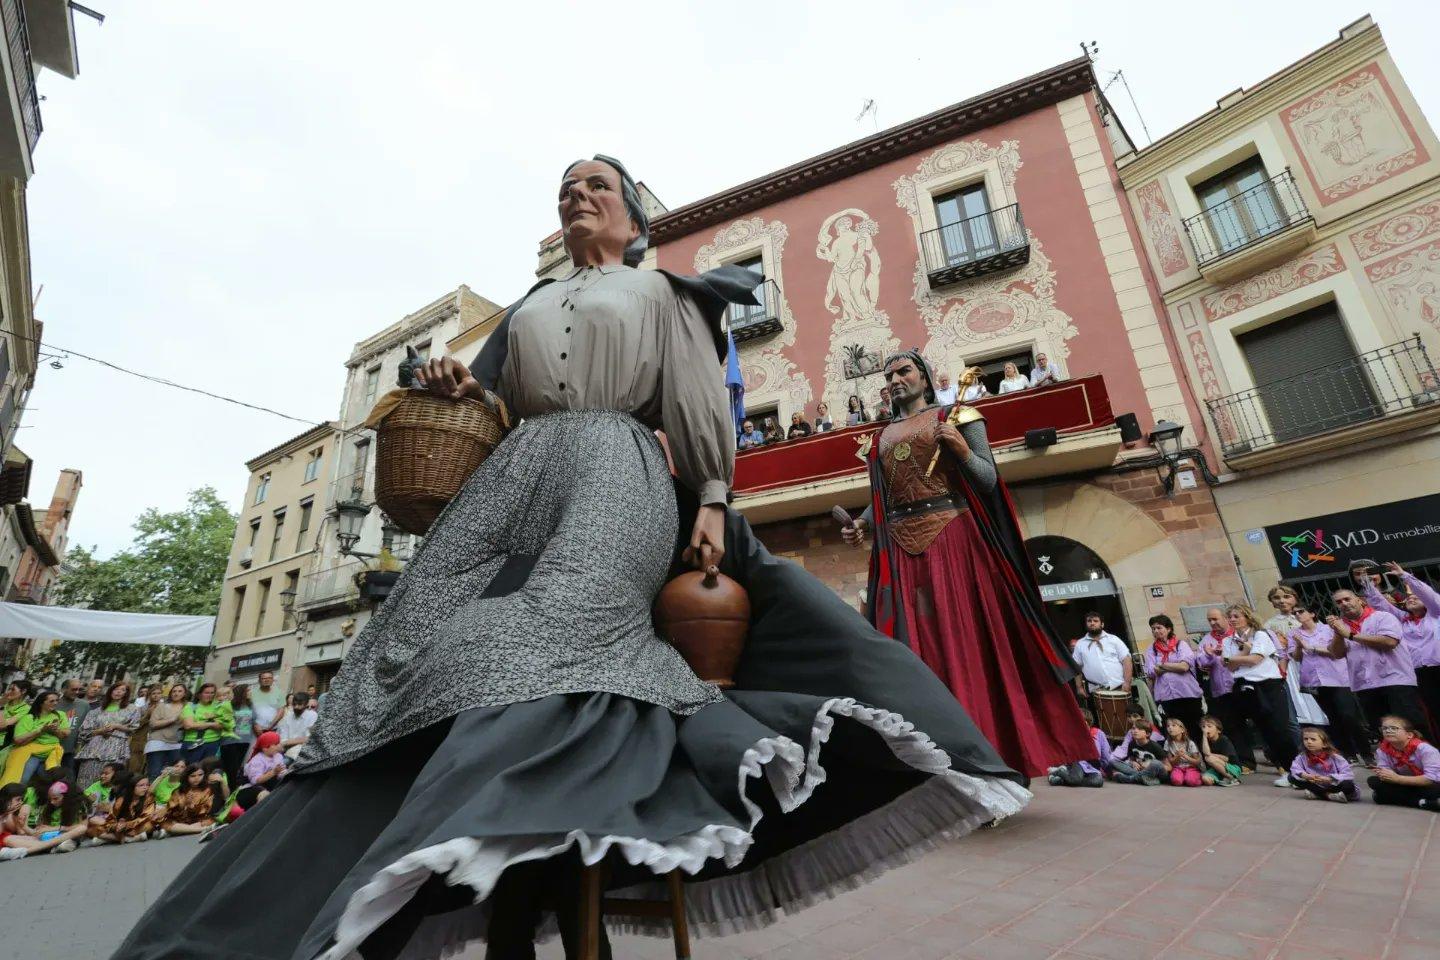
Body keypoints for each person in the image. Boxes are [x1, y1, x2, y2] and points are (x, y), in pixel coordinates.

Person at [116, 155, 1031, 960]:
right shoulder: (525, 308)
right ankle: (463, 881)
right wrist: (450, 382)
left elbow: (695, 400)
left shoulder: (664, 292)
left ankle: (541, 892)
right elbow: (489, 399)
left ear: (634, 217)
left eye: (597, 185)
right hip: (513, 474)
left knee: (550, 636)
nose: (578, 197)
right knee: (416, 639)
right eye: (566, 190)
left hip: (614, 464)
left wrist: (711, 499)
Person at [841, 349, 1092, 776]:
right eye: (889, 375)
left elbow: (987, 479)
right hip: (900, 545)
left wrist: (960, 449)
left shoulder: (960, 416)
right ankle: (930, 763)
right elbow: (888, 493)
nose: (895, 379)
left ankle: (990, 760)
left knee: (966, 639)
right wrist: (864, 524)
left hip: (954, 535)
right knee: (916, 647)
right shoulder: (882, 436)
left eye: (904, 371)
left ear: (924, 375)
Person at [1327, 588, 1427, 738]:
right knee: (1383, 730)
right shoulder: (1341, 626)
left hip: (1396, 680)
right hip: (1365, 685)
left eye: (1347, 599)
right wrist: (1338, 632)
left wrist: (1351, 635)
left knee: (1410, 726)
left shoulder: (1382, 617)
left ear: (1359, 601)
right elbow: (1336, 653)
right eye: (1339, 602)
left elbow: (1389, 641)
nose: (1344, 604)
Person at [1362, 561, 1440, 741]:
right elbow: (1379, 604)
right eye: (1407, 598)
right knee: (1432, 711)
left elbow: (1428, 595)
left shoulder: (1435, 613)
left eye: (1415, 597)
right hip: (1419, 673)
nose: (1410, 598)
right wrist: (1368, 583)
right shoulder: (1403, 619)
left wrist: (1404, 575)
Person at [1224, 603, 1299, 785]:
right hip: (1246, 686)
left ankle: (1297, 770)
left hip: (1268, 685)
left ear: (1247, 617)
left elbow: (1256, 659)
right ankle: (1287, 770)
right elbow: (1229, 666)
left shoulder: (1261, 635)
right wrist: (1245, 651)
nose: (1233, 620)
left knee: (1280, 728)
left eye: (1237, 616)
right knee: (1266, 730)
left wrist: (1237, 658)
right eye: (1231, 617)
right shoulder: (1228, 641)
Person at [1289, 602, 1373, 764]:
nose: (1298, 615)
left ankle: (1366, 752)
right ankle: (1347, 753)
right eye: (1295, 613)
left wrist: (1311, 647)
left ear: (1312, 614)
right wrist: (1300, 646)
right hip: (1314, 680)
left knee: (1348, 715)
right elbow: (1297, 657)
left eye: (1301, 611)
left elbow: (1337, 652)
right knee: (1333, 718)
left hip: (1337, 677)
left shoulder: (1328, 629)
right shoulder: (1294, 633)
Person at [1197, 608, 1257, 772]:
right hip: (1220, 689)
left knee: (1249, 723)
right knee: (1230, 726)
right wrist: (1209, 655)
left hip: (1239, 685)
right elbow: (1200, 662)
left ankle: (1261, 760)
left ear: (1225, 618)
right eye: (1209, 620)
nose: (1212, 623)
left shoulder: (1235, 636)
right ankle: (1240, 762)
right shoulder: (1207, 640)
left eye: (1215, 619)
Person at [1264, 586, 1322, 750]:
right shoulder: (1270, 624)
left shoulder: (1305, 617)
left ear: (1295, 598)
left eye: (1287, 596)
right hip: (1289, 665)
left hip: (1311, 662)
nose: (1282, 601)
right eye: (1277, 598)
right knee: (1298, 700)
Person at [1143, 614, 1203, 747]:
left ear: (1168, 629)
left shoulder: (1181, 645)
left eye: (1159, 628)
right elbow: (1151, 672)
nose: (1156, 631)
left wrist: (1163, 665)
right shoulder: (1151, 650)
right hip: (1166, 697)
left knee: (1195, 728)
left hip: (1188, 694)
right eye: (1153, 629)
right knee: (1174, 732)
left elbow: (1184, 666)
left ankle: (1202, 759)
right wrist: (1173, 665)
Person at [74, 681, 140, 789]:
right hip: (94, 749)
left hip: (116, 749)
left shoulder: (132, 709)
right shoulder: (97, 711)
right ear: (110, 691)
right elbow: (84, 732)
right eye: (116, 689)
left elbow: (133, 728)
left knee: (111, 779)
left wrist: (116, 726)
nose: (118, 692)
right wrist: (100, 731)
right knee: (88, 777)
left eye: (123, 690)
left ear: (126, 693)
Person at [1368, 714, 1440, 810]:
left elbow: (1430, 779)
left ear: (1409, 735)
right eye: (1384, 728)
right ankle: (1424, 802)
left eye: (1394, 728)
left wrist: (1398, 778)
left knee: (1380, 796)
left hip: (1430, 784)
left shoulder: (1426, 750)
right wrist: (1384, 774)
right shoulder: (1383, 750)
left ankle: (1409, 800)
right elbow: (1385, 772)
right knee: (1374, 781)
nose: (1388, 731)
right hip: (1405, 784)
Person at [1, 688, 68, 787]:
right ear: (42, 703)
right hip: (32, 754)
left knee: (52, 781)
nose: (55, 703)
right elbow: (18, 739)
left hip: (52, 752)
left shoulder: (60, 715)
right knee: (23, 780)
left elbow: (66, 734)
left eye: (57, 701)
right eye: (51, 701)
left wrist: (55, 730)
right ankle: (12, 797)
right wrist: (40, 731)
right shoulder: (28, 718)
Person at [0, 783, 82, 859]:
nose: (20, 803)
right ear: (7, 799)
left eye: (21, 799)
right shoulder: (5, 813)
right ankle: (53, 846)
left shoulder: (12, 812)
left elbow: (22, 832)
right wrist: (4, 815)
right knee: (8, 840)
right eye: (18, 800)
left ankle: (59, 842)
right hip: (3, 842)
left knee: (31, 839)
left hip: (6, 837)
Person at [1072, 611, 1133, 709]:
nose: (1092, 623)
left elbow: (1127, 660)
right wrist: (1079, 687)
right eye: (1089, 621)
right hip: (1097, 691)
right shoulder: (1080, 644)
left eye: (1095, 621)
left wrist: (1127, 682)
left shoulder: (1114, 639)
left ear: (1102, 624)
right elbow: (1077, 667)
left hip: (1119, 687)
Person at [1289, 727, 1359, 802]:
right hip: (1317, 784)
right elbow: (1295, 768)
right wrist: (1305, 775)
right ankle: (1328, 795)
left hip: (1334, 785)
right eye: (1306, 739)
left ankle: (1319, 794)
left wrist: (1330, 779)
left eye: (1313, 739)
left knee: (1348, 785)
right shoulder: (1302, 757)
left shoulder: (1336, 757)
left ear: (1324, 744)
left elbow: (1348, 775)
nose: (1309, 742)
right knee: (1291, 777)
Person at [153, 763, 222, 837]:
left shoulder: (207, 790)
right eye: (193, 776)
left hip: (198, 819)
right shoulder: (179, 790)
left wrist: (191, 806)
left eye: (200, 775)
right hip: (180, 819)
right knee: (164, 823)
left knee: (209, 821)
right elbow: (171, 809)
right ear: (186, 777)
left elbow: (205, 811)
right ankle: (201, 830)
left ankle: (180, 831)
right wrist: (184, 805)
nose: (197, 778)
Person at [86, 773, 157, 845]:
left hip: (137, 826)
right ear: (132, 787)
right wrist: (116, 826)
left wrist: (126, 825)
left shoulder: (149, 798)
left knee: (149, 824)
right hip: (119, 829)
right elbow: (111, 819)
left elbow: (145, 817)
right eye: (141, 785)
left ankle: (110, 839)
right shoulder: (121, 800)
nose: (145, 788)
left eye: (147, 785)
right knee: (90, 830)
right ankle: (129, 839)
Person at [143, 684, 187, 781]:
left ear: (184, 693)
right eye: (174, 691)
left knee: (173, 776)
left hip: (176, 744)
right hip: (158, 742)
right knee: (155, 774)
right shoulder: (162, 706)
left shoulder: (188, 707)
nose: (176, 693)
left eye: (180, 691)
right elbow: (153, 723)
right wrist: (172, 719)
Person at [1110, 711, 1167, 785]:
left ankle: (1129, 779)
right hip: (1139, 770)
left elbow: (1168, 767)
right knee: (1112, 761)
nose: (1135, 731)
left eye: (1139, 729)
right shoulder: (1132, 744)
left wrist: (1149, 765)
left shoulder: (1155, 746)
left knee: (1156, 763)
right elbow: (1131, 758)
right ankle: (1145, 779)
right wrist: (1133, 762)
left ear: (1147, 734)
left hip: (1155, 772)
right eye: (1133, 729)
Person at [220, 683, 256, 791]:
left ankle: (232, 792)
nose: (250, 692)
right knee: (231, 769)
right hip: (230, 741)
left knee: (237, 768)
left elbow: (253, 720)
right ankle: (228, 792)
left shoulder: (250, 705)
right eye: (248, 690)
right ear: (241, 692)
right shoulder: (230, 705)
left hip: (245, 741)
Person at [181, 682, 226, 764]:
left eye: (212, 693)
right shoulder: (191, 707)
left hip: (213, 743)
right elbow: (188, 725)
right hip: (192, 743)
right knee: (192, 769)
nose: (210, 695)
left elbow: (222, 725)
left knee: (209, 770)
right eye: (206, 692)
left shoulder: (218, 707)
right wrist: (211, 724)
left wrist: (198, 724)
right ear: (199, 694)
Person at [55, 678, 91, 771]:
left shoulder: (84, 705)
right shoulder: (54, 703)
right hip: (51, 748)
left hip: (70, 751)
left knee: (68, 779)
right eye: (74, 689)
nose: (77, 692)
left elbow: (85, 727)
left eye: (79, 689)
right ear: (63, 689)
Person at [1161, 716, 1204, 787]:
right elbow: (1171, 761)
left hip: (1191, 767)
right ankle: (1183, 778)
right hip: (1177, 767)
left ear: (1182, 729)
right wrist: (1178, 755)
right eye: (1168, 726)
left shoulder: (1190, 743)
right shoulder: (1167, 742)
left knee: (1191, 781)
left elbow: (1197, 762)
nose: (1170, 728)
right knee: (1176, 781)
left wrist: (1185, 756)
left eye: (1173, 725)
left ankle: (1195, 778)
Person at [1199, 716, 1242, 786]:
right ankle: (1221, 779)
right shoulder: (1205, 741)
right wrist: (1204, 736)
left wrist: (1211, 755)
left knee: (1209, 758)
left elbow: (1226, 758)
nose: (1206, 729)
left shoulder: (1224, 740)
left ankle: (1232, 778)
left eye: (1209, 726)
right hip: (1215, 768)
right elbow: (1206, 752)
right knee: (1205, 779)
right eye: (1203, 727)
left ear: (1218, 730)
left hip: (1232, 768)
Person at [274, 693, 317, 757]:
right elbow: (282, 738)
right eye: (294, 704)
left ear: (306, 704)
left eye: (299, 704)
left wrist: (286, 743)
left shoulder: (312, 715)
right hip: (286, 749)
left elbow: (309, 738)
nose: (296, 707)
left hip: (302, 751)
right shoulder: (288, 717)